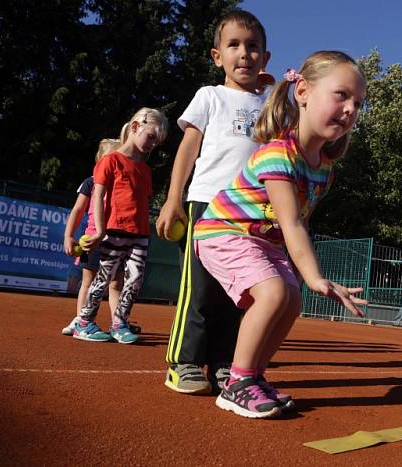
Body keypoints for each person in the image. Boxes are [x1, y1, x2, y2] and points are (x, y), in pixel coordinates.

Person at [195, 50, 368, 418]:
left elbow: (295, 223)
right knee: (274, 292)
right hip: (224, 231)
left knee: (291, 299)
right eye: (341, 95)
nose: (351, 109)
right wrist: (315, 276)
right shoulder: (278, 153)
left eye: (358, 102)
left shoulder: (324, 169)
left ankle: (253, 376)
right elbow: (291, 222)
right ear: (302, 91)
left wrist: (301, 279)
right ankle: (236, 383)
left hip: (262, 240)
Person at [157, 9, 271, 394]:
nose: (244, 54)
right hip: (206, 204)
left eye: (253, 47)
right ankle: (183, 362)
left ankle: (224, 362)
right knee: (200, 289)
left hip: (250, 213)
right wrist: (174, 198)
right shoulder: (210, 96)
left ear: (265, 59)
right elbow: (188, 149)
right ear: (217, 55)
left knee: (237, 292)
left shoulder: (271, 107)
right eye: (234, 45)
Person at [73, 107, 167, 344]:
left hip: (141, 234)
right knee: (103, 278)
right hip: (115, 230)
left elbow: (142, 202)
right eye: (151, 137)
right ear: (136, 127)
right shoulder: (110, 161)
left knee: (134, 281)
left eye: (157, 142)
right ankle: (83, 322)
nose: (153, 144)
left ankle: (120, 323)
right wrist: (101, 230)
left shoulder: (145, 170)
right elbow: (97, 196)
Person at [61, 139, 126, 336]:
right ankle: (80, 321)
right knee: (87, 281)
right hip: (92, 240)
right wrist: (68, 236)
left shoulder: (122, 185)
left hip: (116, 240)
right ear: (100, 160)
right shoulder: (90, 182)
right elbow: (78, 209)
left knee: (116, 283)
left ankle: (118, 325)